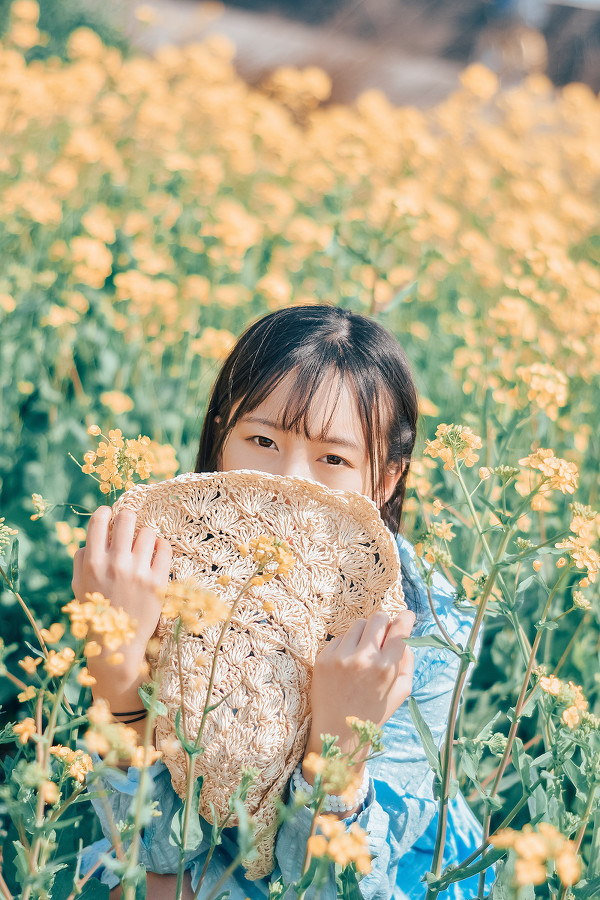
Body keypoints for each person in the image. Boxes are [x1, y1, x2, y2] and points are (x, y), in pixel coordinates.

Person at [77, 305, 492, 899]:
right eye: (263, 440)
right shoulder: (155, 566)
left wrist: (339, 747)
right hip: (203, 853)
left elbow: (332, 885)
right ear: (221, 436)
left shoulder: (424, 626)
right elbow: (154, 846)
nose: (289, 481)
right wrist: (115, 665)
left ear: (387, 479)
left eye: (333, 459)